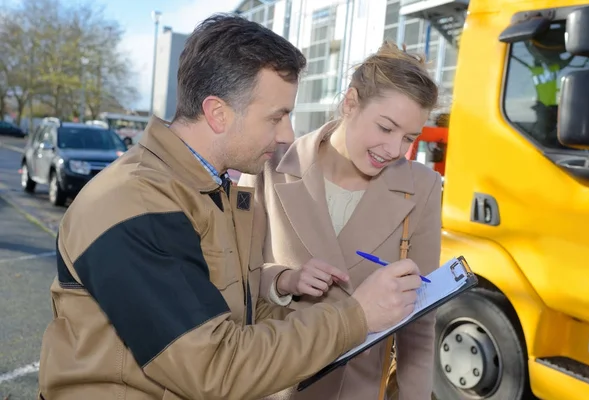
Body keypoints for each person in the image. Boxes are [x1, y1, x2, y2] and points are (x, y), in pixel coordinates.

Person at [37, 15, 425, 400]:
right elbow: (212, 367)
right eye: (277, 116)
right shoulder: (133, 202)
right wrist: (355, 316)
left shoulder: (213, 189)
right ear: (218, 113)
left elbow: (238, 317)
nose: (287, 134)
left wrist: (287, 286)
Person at [239, 41, 442, 400]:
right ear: (350, 103)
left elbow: (419, 322)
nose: (396, 150)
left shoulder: (422, 187)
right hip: (270, 382)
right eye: (385, 128)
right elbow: (233, 277)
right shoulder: (269, 164)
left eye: (409, 138)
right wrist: (284, 279)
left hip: (357, 389)